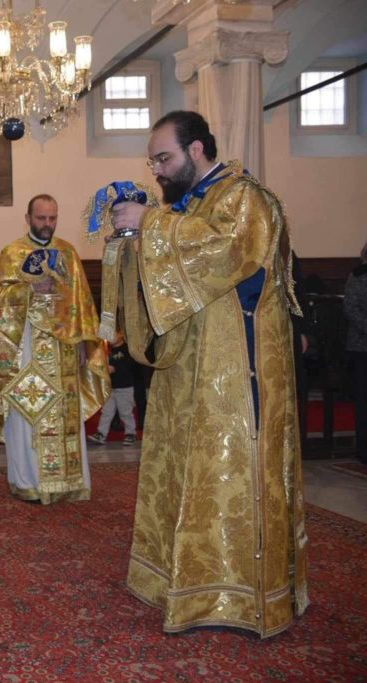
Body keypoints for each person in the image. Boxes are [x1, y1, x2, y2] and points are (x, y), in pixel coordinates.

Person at [111, 110, 308, 637]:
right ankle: (182, 580)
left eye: (164, 158)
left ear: (196, 150)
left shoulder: (244, 198)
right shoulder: (189, 205)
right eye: (153, 161)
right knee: (184, 473)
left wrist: (150, 224)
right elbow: (172, 273)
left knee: (227, 476)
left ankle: (236, 595)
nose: (157, 169)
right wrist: (129, 244)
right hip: (187, 373)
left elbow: (224, 251)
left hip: (236, 375)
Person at [0, 194, 110, 505]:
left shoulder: (68, 252)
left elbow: (83, 303)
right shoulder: (12, 253)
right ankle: (28, 482)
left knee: (66, 413)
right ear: (28, 218)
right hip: (27, 348)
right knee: (30, 411)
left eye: (52, 218)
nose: (47, 224)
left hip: (64, 350)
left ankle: (68, 482)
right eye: (41, 218)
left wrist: (85, 343)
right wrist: (27, 289)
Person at [87, 328, 138, 446]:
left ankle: (130, 433)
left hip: (124, 386)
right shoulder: (107, 349)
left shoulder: (128, 349)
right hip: (110, 387)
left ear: (120, 334)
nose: (109, 337)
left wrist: (116, 368)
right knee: (106, 411)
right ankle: (101, 434)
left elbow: (131, 365)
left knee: (125, 412)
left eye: (112, 334)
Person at [344, 240, 367, 465]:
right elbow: (351, 308)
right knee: (363, 399)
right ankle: (364, 449)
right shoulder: (358, 276)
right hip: (362, 346)